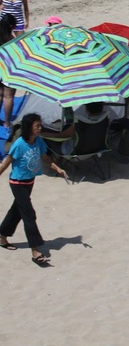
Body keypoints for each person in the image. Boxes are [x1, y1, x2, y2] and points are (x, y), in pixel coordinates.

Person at [0, 113, 68, 266]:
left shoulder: (38, 141)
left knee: (17, 210)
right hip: (17, 183)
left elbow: (45, 158)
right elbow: (6, 162)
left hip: (30, 182)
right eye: (37, 125)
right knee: (29, 214)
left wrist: (58, 169)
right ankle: (35, 250)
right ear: (28, 128)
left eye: (39, 125)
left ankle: (2, 236)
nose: (40, 128)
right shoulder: (19, 144)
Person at [0, 13, 16, 129]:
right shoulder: (10, 39)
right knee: (8, 96)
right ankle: (7, 122)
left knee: (0, 94)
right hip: (9, 68)